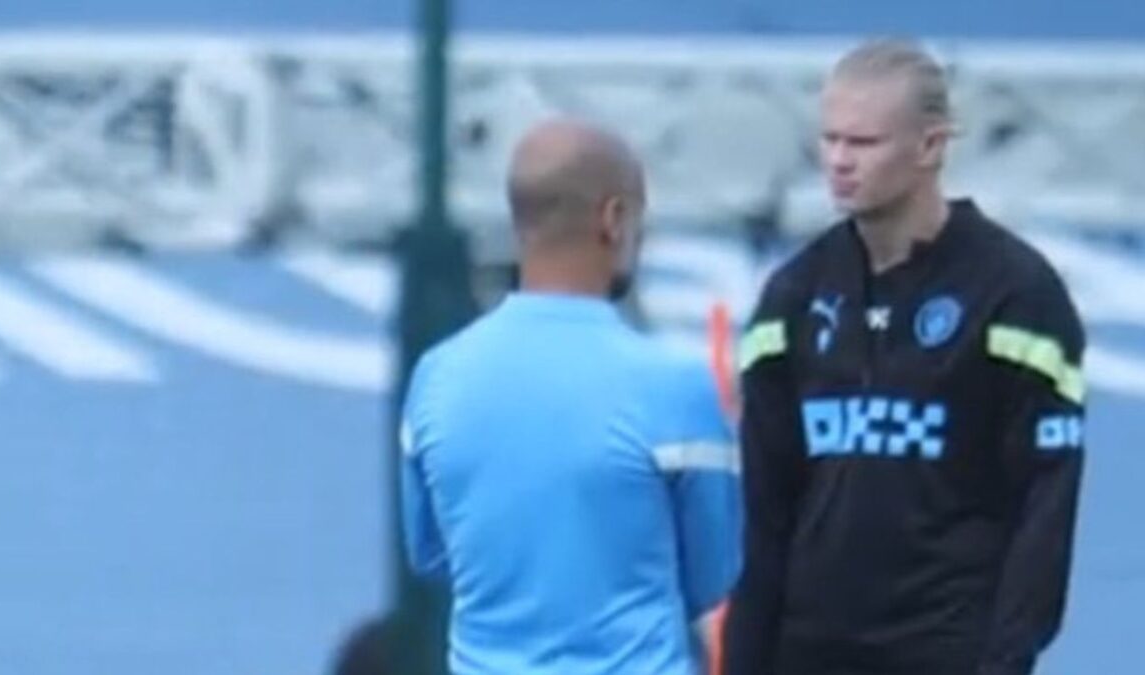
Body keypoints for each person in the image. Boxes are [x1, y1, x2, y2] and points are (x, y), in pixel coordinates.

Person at [721, 38, 1086, 675]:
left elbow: (1044, 518)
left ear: (930, 146)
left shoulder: (1015, 296)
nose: (838, 161)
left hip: (947, 654)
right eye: (829, 140)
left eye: (862, 144)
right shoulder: (794, 297)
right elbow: (764, 514)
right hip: (806, 655)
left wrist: (1004, 663)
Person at [400, 118, 741, 674]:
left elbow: (431, 553)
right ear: (615, 219)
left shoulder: (436, 378)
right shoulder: (677, 387)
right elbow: (713, 575)